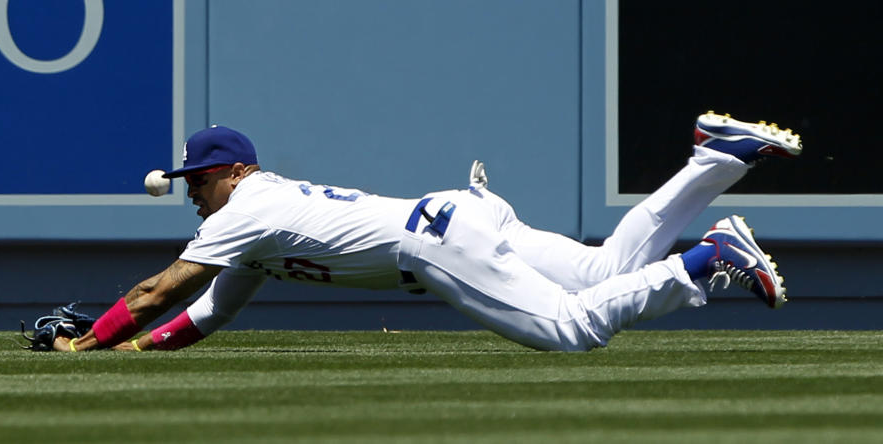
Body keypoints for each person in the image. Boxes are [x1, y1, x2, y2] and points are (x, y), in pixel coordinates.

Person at [54, 111, 802, 353]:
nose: (193, 197)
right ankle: (716, 158)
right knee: (604, 271)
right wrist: (135, 352)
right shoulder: (252, 225)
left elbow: (163, 287)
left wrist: (89, 347)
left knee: (573, 331)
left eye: (196, 183)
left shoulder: (244, 209)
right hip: (458, 214)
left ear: (233, 173)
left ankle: (704, 261)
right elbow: (210, 309)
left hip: (437, 241)